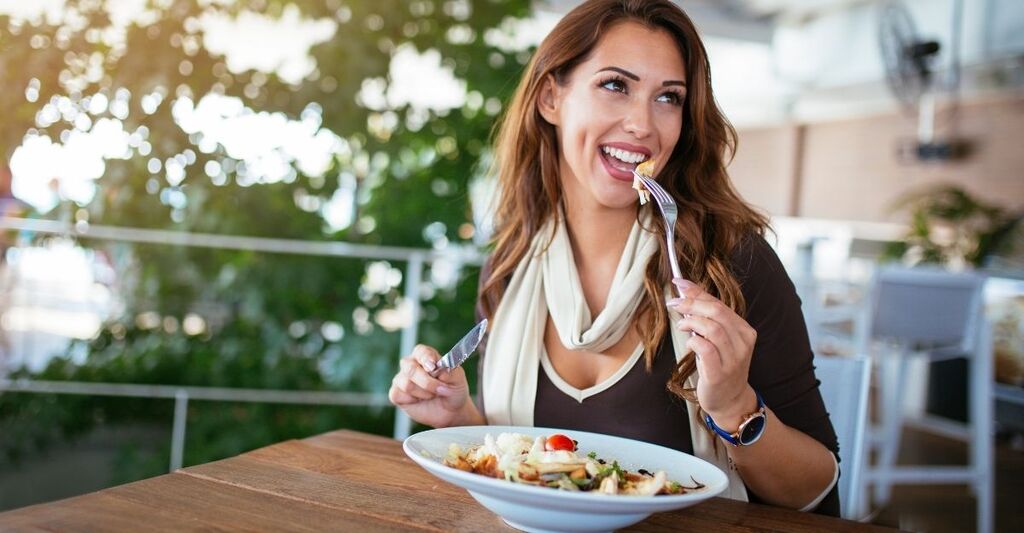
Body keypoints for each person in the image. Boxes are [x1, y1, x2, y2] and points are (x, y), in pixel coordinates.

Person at [388, 0, 840, 516]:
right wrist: (460, 418)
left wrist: (736, 407)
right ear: (550, 97)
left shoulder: (732, 263)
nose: (642, 125)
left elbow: (816, 491)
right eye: (615, 85)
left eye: (668, 97)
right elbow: (522, 467)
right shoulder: (510, 268)